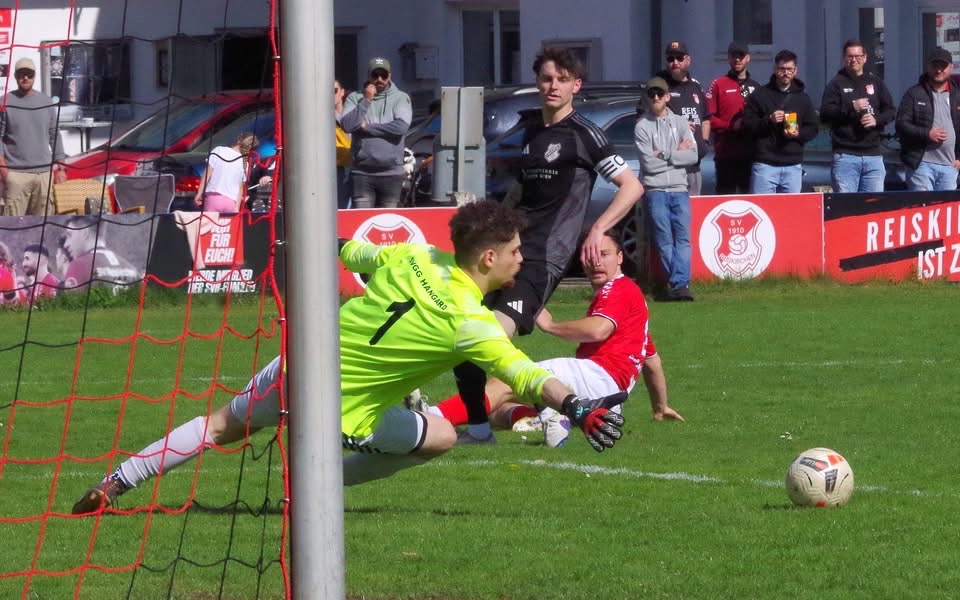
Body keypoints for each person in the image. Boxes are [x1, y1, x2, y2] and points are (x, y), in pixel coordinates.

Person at [70, 200, 627, 513]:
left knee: (218, 425)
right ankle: (313, 489)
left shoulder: (415, 254)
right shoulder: (472, 323)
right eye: (515, 251)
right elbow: (525, 375)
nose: (521, 259)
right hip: (340, 412)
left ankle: (118, 481)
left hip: (297, 367)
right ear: (487, 258)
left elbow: (347, 251)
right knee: (442, 436)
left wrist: (303, 236)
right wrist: (577, 407)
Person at [452, 46, 644, 443]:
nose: (553, 85)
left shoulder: (585, 135)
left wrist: (597, 229)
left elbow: (632, 186)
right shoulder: (532, 131)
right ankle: (483, 427)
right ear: (537, 83)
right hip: (505, 253)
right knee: (462, 331)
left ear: (576, 85)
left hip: (542, 259)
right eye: (546, 78)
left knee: (488, 337)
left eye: (562, 79)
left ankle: (550, 408)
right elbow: (519, 196)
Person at [426, 230, 684, 447]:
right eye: (591, 256)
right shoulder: (631, 309)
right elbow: (652, 361)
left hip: (597, 377)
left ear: (620, 257)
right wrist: (660, 407)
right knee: (495, 409)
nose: (596, 262)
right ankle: (546, 417)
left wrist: (550, 326)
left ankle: (428, 418)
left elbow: (598, 330)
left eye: (604, 254)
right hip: (608, 400)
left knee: (503, 382)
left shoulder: (621, 288)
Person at [635, 77, 698, 301]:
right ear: (647, 98)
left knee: (683, 238)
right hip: (656, 190)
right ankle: (678, 284)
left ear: (667, 97)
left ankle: (680, 284)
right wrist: (676, 153)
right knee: (664, 239)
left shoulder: (680, 123)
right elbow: (648, 165)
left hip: (680, 189)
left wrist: (663, 154)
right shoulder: (642, 126)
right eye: (651, 94)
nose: (656, 98)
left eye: (660, 94)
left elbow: (693, 156)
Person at [819, 39, 896, 193]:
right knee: (847, 204)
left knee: (872, 204)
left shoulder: (875, 82)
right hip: (846, 156)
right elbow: (825, 114)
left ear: (865, 58)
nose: (854, 60)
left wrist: (876, 120)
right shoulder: (836, 84)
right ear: (844, 58)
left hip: (873, 155)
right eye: (850, 56)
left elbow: (891, 111)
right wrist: (851, 107)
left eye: (858, 56)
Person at [742, 49, 819, 194]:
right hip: (765, 164)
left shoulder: (803, 98)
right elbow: (747, 124)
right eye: (782, 69)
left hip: (793, 164)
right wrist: (769, 120)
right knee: (763, 206)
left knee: (791, 207)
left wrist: (798, 133)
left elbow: (813, 128)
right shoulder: (760, 95)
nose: (786, 73)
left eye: (790, 69)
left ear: (795, 71)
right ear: (775, 69)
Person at [340, 57, 412, 208]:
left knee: (388, 218)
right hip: (362, 173)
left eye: (383, 75)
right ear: (369, 76)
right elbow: (347, 125)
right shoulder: (355, 98)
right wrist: (366, 100)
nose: (379, 79)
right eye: (375, 75)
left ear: (389, 76)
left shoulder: (400, 98)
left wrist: (367, 127)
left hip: (392, 173)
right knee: (362, 219)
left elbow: (401, 127)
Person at [0, 57, 67, 216]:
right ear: (15, 76)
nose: (25, 78)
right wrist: (5, 172)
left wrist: (61, 169)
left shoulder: (46, 102)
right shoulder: (4, 102)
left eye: (29, 74)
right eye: (21, 74)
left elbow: (54, 135)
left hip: (44, 175)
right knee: (13, 225)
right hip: (16, 176)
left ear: (34, 76)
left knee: (43, 225)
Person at [647, 41, 711, 195]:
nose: (675, 62)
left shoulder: (695, 86)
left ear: (688, 60)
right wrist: (677, 125)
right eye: (671, 59)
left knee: (693, 209)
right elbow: (644, 120)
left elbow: (706, 119)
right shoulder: (658, 86)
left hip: (694, 166)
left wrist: (704, 142)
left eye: (679, 58)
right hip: (670, 168)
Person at [895, 47, 960, 192]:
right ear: (928, 67)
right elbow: (901, 124)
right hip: (921, 165)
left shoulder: (957, 96)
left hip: (950, 167)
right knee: (923, 205)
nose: (939, 70)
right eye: (935, 65)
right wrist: (927, 133)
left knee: (945, 206)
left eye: (943, 66)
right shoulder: (914, 93)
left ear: (951, 68)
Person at [706, 41, 760, 195]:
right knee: (725, 199)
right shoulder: (718, 84)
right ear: (728, 58)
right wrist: (729, 126)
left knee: (748, 200)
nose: (737, 59)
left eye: (741, 56)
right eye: (733, 56)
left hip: (750, 155)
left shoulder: (756, 87)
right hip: (725, 154)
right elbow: (708, 117)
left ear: (748, 58)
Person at [61, 215, 142, 292]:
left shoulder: (79, 266)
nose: (66, 244)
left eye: (69, 235)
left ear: (84, 232)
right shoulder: (132, 270)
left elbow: (71, 302)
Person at [193, 132, 258, 213]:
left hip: (214, 198)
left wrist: (199, 192)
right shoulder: (245, 163)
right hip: (231, 202)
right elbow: (240, 188)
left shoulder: (219, 150)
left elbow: (207, 174)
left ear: (239, 139)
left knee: (210, 221)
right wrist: (236, 208)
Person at [334, 78, 352, 209]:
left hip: (354, 165)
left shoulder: (351, 113)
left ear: (342, 92)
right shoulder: (321, 116)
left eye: (334, 91)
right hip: (336, 167)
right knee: (340, 205)